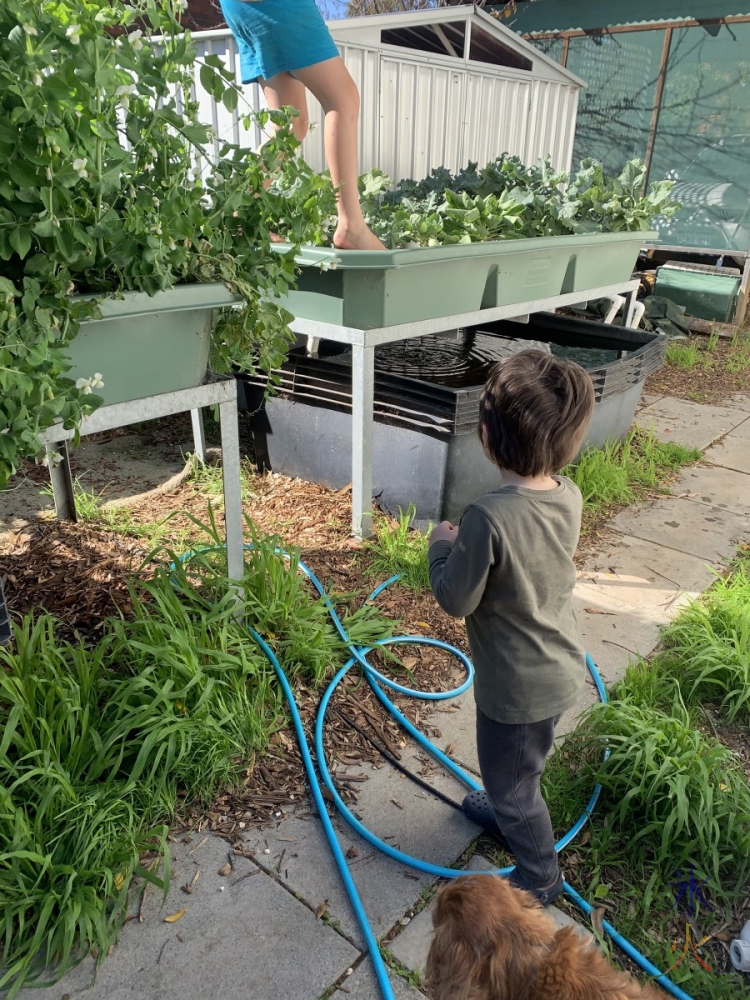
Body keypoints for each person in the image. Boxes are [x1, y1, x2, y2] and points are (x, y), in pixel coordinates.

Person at [428, 349, 595, 906]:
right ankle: (507, 809)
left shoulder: (486, 518)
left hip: (516, 688)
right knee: (523, 765)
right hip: (557, 663)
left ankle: (539, 876)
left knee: (514, 782)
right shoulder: (568, 494)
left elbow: (455, 598)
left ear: (485, 435)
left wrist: (441, 547)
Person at [220, 0, 385, 251]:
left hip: (237, 7)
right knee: (342, 99)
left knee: (289, 126)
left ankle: (236, 217)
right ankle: (351, 226)